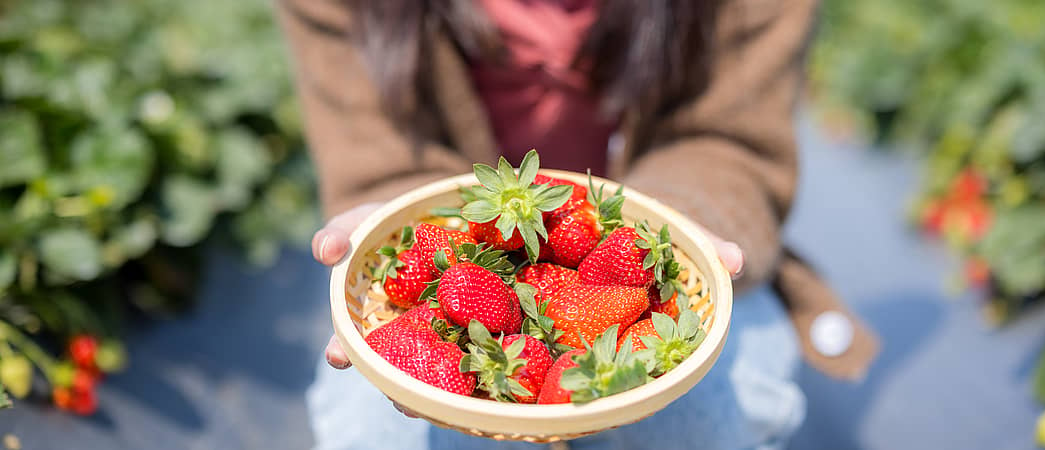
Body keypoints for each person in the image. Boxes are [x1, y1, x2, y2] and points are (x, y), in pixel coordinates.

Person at [276, 1, 878, 448]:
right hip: (465, 244)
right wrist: (391, 215)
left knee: (709, 420)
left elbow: (728, 142)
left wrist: (671, 229)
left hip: (655, 230)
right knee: (377, 432)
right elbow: (383, 156)